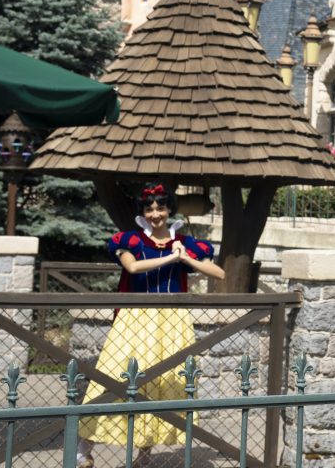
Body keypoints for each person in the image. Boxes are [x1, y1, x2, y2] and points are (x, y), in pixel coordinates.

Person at [76, 182, 224, 468]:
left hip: (172, 320)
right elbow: (131, 267)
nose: (156, 213)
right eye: (150, 208)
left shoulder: (186, 243)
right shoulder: (131, 240)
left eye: (161, 207)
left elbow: (217, 272)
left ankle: (143, 457)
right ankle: (84, 447)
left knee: (162, 384)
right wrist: (173, 257)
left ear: (169, 209)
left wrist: (187, 258)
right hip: (136, 316)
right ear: (143, 212)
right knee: (113, 378)